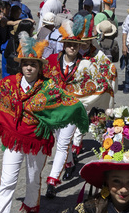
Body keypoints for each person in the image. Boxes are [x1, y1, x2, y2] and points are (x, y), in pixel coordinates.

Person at [0, 34, 89, 213]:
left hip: (37, 139)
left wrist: (80, 111)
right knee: (7, 180)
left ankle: (31, 208)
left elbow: (69, 102)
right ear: (21, 66)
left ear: (39, 67)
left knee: (33, 176)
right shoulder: (9, 84)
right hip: (13, 139)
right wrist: (5, 118)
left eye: (33, 64)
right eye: (26, 64)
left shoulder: (48, 88)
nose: (29, 68)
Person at [43, 18, 116, 198]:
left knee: (63, 143)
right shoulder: (52, 60)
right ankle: (69, 164)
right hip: (55, 110)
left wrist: (88, 101)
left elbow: (104, 81)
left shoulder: (90, 61)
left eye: (77, 44)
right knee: (61, 141)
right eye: (70, 44)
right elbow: (42, 80)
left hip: (76, 109)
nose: (74, 47)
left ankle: (52, 180)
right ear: (64, 45)